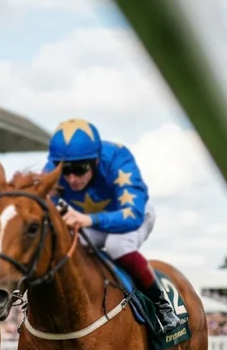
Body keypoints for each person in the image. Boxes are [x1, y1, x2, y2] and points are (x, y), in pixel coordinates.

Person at [44, 118, 180, 334]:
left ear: (96, 161)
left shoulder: (119, 160)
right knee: (65, 248)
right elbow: (47, 204)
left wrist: (89, 220)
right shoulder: (52, 169)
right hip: (88, 219)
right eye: (65, 170)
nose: (71, 179)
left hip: (133, 215)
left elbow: (132, 215)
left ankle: (162, 306)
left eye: (79, 169)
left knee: (117, 245)